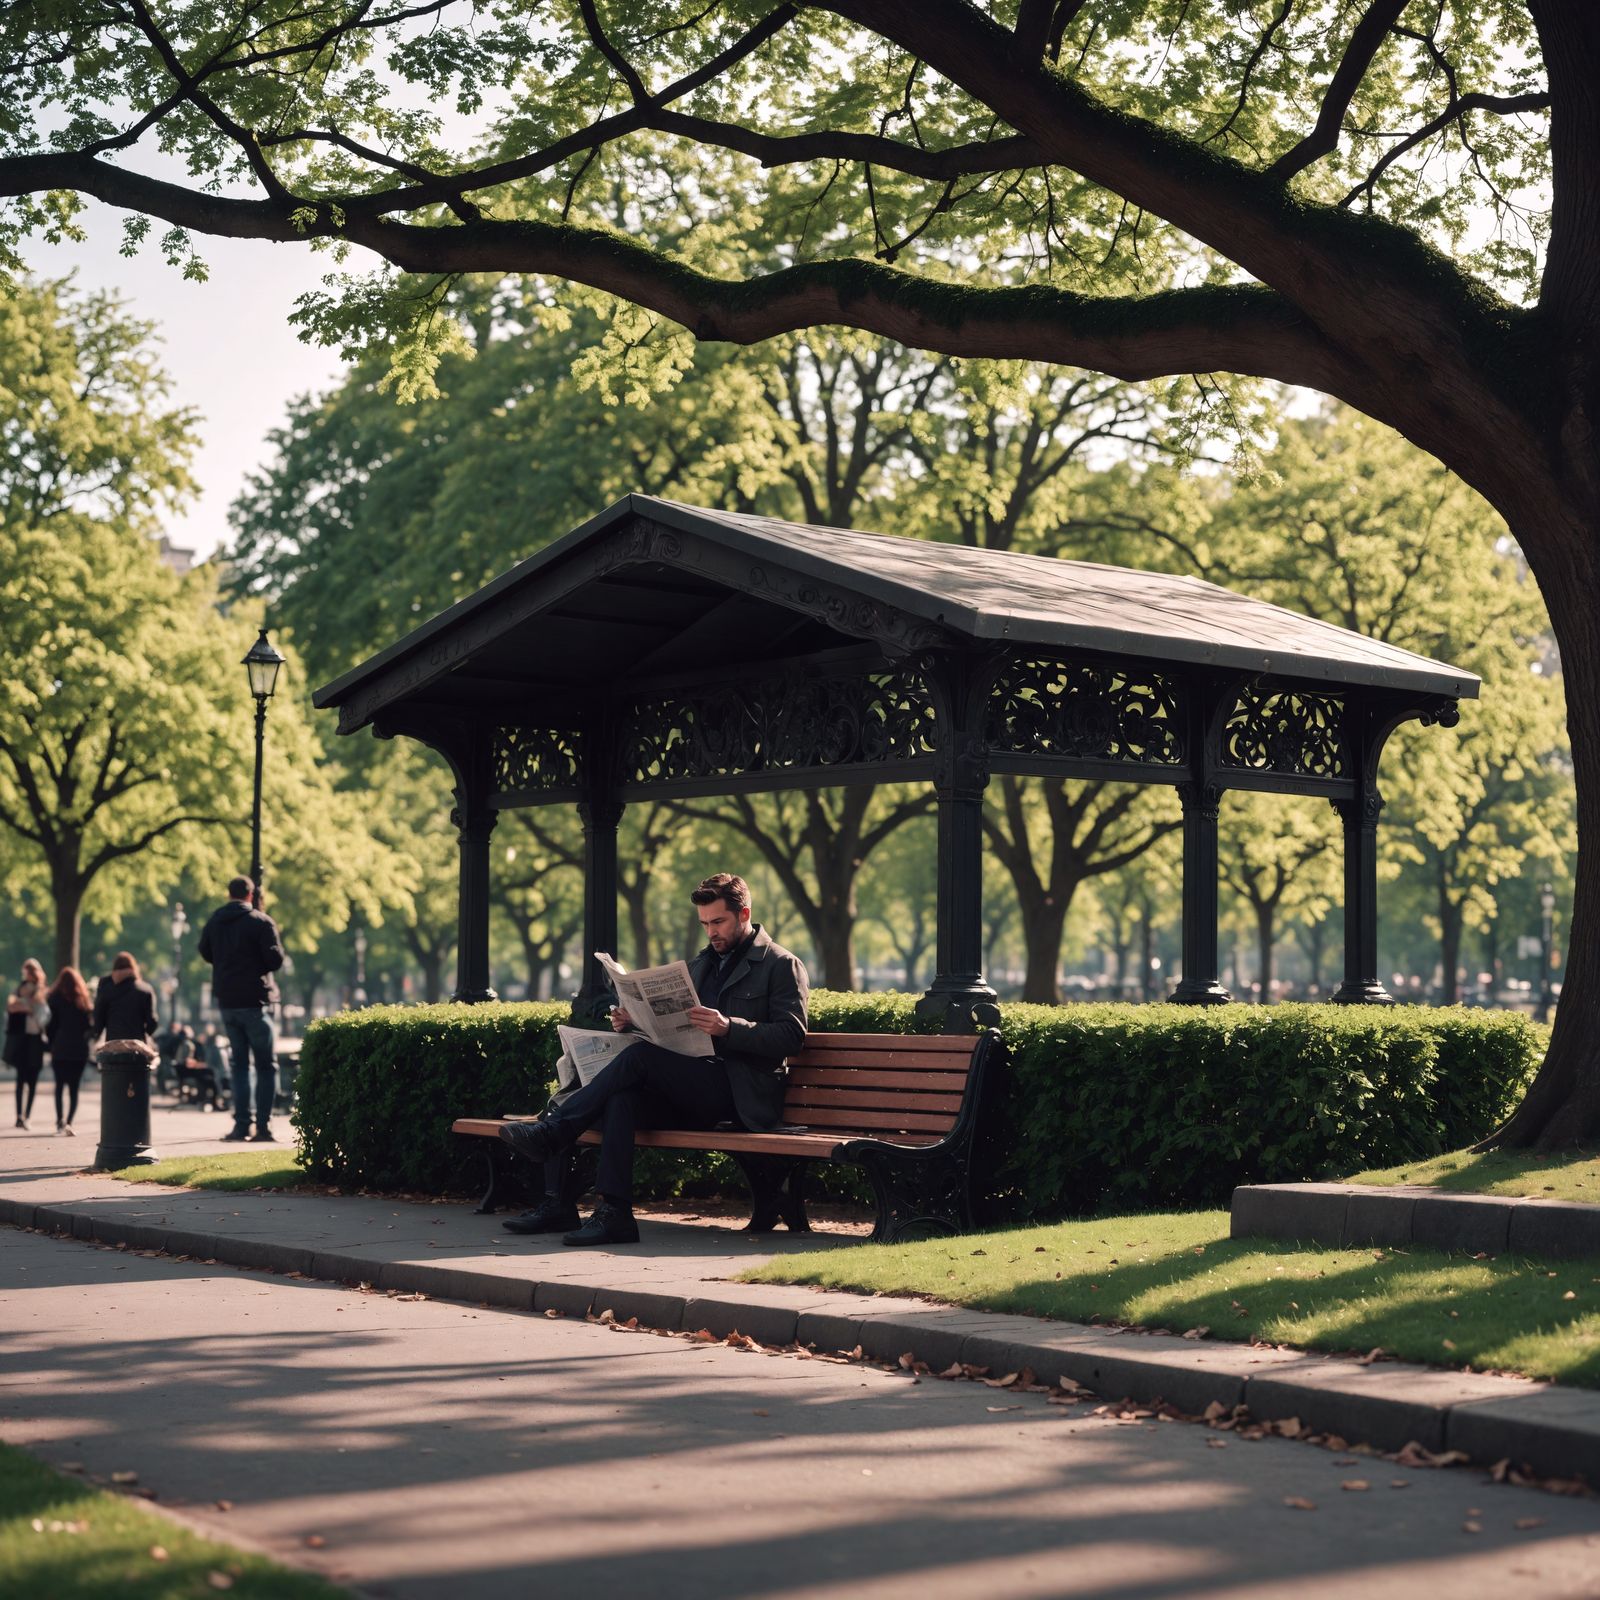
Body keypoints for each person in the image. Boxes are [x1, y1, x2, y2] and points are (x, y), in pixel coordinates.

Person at [499, 873, 809, 1246]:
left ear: (744, 914)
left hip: (739, 1092)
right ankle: (612, 1214)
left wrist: (729, 1027)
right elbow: (674, 1030)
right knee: (622, 1098)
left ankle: (552, 1132)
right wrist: (634, 1020)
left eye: (718, 922)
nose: (711, 932)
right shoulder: (701, 964)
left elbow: (791, 1036)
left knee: (639, 1059)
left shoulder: (780, 963)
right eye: (704, 924)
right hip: (690, 1087)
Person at [197, 875, 285, 1142]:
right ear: (250, 895)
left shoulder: (215, 921)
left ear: (229, 894)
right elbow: (275, 960)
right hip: (254, 1001)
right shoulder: (261, 922)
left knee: (239, 1066)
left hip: (228, 1001)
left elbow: (205, 951)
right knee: (266, 1066)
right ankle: (263, 1126)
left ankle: (241, 1125)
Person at [44, 967, 94, 1135]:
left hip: (60, 1048)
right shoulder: (83, 1000)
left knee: (59, 1086)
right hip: (79, 1049)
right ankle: (70, 1122)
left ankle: (60, 1120)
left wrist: (51, 1044)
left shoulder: (54, 999)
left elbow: (50, 1027)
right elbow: (89, 1027)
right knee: (74, 1088)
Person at [6, 958, 50, 1130]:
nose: (26, 975)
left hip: (35, 1039)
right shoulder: (19, 988)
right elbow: (11, 1008)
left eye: (29, 972)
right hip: (21, 1038)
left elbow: (43, 1015)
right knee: (20, 1079)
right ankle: (19, 1116)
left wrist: (26, 1006)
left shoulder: (42, 991)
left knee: (32, 1080)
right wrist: (25, 1006)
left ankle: (27, 1116)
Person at [92, 952, 159, 1049]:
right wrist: (144, 1033)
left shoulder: (106, 989)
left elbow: (98, 1018)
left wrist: (96, 1035)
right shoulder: (145, 990)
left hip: (113, 1045)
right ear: (134, 968)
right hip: (137, 1046)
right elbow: (152, 1022)